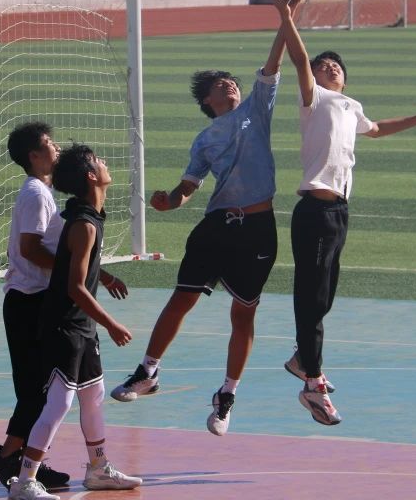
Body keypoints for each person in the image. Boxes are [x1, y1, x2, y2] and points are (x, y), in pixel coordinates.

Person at [272, 0, 416, 425]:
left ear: (346, 78)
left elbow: (378, 129)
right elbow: (299, 59)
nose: (329, 66)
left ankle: (302, 359)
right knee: (310, 299)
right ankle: (313, 385)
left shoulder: (352, 106)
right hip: (314, 210)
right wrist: (287, 17)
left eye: (335, 65)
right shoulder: (314, 98)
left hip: (339, 212)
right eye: (323, 65)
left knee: (325, 294)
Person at [111, 26, 287, 437]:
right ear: (207, 101)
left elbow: (273, 64)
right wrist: (168, 201)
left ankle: (227, 395)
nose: (229, 84)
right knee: (181, 299)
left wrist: (286, 16)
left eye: (231, 82)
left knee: (243, 313)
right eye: (219, 85)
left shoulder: (257, 109)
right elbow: (188, 187)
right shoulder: (205, 139)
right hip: (216, 226)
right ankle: (148, 372)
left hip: (257, 228)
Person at [7, 144, 141, 500]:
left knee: (94, 395)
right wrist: (111, 324)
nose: (105, 163)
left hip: (81, 326)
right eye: (99, 161)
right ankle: (24, 481)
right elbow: (75, 287)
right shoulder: (83, 225)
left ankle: (98, 469)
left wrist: (105, 280)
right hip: (63, 326)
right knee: (60, 403)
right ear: (91, 177)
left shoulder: (90, 217)